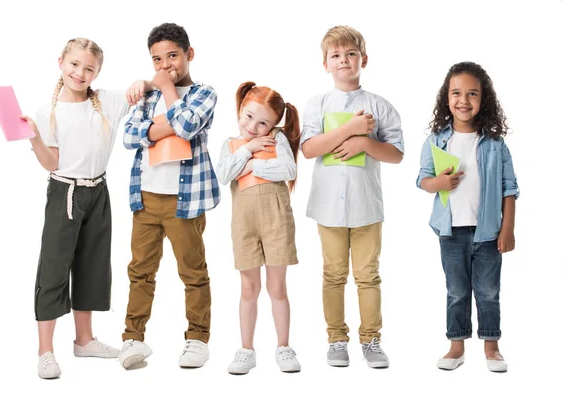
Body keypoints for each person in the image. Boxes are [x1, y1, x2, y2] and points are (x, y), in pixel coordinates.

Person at [22, 37, 150, 379]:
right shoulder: (48, 112)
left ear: (97, 72)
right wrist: (34, 137)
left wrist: (142, 83)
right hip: (65, 193)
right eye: (74, 64)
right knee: (54, 266)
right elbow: (52, 162)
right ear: (61, 61)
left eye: (88, 68)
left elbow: (146, 90)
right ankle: (45, 350)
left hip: (99, 192)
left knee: (93, 264)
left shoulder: (106, 101)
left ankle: (84, 340)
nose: (80, 73)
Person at [300, 25, 404, 368]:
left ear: (364, 59)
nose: (343, 60)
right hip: (328, 207)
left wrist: (364, 143)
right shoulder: (317, 104)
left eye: (350, 54)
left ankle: (371, 340)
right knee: (333, 274)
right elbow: (310, 148)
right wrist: (348, 130)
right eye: (335, 55)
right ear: (325, 63)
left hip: (366, 207)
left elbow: (396, 154)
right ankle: (336, 339)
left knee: (368, 274)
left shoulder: (380, 105)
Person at [117, 22, 219, 370]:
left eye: (172, 56)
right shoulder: (145, 96)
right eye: (157, 60)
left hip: (184, 201)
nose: (165, 66)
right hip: (145, 198)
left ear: (189, 55)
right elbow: (130, 136)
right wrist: (163, 119)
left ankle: (197, 339)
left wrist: (165, 93)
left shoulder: (204, 93)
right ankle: (133, 338)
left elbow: (189, 126)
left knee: (192, 271)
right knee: (140, 271)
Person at [416, 61, 519, 372]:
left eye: (472, 94)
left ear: (483, 99)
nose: (463, 100)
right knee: (457, 290)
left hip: (488, 232)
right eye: (456, 93)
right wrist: (440, 183)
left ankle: (492, 346)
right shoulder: (436, 140)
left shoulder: (494, 143)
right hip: (450, 231)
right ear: (446, 98)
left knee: (488, 291)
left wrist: (508, 229)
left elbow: (509, 188)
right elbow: (422, 179)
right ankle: (456, 346)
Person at [216, 82, 302, 375]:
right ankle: (246, 350)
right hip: (244, 224)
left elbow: (288, 170)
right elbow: (225, 174)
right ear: (241, 109)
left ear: (274, 124)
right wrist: (248, 151)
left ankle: (284, 346)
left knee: (277, 287)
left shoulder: (276, 140)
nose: (254, 126)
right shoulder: (231, 144)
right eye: (249, 116)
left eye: (263, 122)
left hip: (276, 219)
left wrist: (253, 167)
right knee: (249, 287)